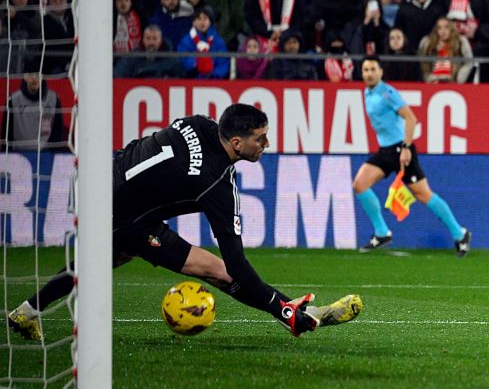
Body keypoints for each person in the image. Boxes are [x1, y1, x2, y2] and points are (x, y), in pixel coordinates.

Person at [7, 104, 362, 341]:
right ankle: (292, 313)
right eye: (260, 139)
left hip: (102, 178)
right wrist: (276, 304)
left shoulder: (198, 122)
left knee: (102, 260)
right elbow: (237, 264)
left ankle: (26, 312)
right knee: (219, 270)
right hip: (126, 217)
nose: (266, 144)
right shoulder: (216, 184)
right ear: (236, 143)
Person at [355, 55, 472, 256]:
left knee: (423, 194)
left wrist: (407, 147)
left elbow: (410, 117)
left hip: (401, 149)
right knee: (359, 184)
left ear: (381, 72)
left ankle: (460, 233)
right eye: (366, 70)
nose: (369, 73)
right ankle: (382, 233)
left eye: (373, 69)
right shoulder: (367, 92)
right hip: (385, 151)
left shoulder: (388, 93)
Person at [0, 73, 66, 151]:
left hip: (46, 155)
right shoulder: (13, 100)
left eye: (37, 75)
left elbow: (57, 133)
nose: (34, 78)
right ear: (24, 76)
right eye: (30, 74)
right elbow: (6, 134)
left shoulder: (53, 99)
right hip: (18, 155)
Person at [176, 7, 230, 79]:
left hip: (214, 80)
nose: (202, 22)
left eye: (205, 18)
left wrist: (212, 76)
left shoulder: (217, 40)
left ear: (210, 21)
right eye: (199, 19)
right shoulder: (186, 41)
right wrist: (197, 60)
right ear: (193, 22)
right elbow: (183, 61)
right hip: (191, 79)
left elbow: (223, 63)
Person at [113, 24, 184, 78]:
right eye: (148, 38)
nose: (151, 42)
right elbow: (119, 74)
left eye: (154, 39)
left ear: (161, 40)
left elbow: (181, 76)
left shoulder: (170, 57)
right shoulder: (133, 56)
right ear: (143, 40)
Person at [418, 17, 474, 84]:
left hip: (452, 82)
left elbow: (469, 61)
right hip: (434, 81)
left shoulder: (460, 41)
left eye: (446, 27)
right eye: (439, 28)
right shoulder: (429, 42)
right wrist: (430, 79)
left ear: (451, 29)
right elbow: (423, 63)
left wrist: (459, 79)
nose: (443, 31)